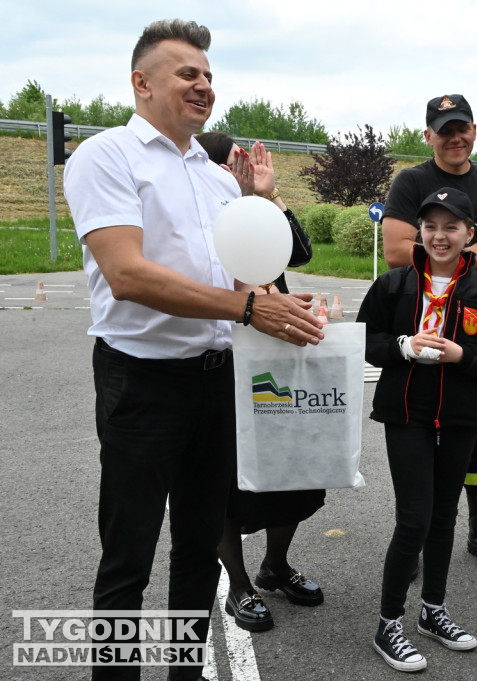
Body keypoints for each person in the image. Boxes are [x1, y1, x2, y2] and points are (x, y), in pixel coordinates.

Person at [63, 19, 323, 681]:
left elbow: (240, 280)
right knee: (128, 559)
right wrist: (248, 304)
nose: (204, 85)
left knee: (197, 554)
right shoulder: (107, 156)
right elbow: (129, 274)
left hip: (215, 381)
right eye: (188, 73)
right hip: (142, 383)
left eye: (208, 75)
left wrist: (284, 305)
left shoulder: (215, 181)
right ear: (141, 82)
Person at [358, 187, 477, 672]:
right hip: (407, 414)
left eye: (451, 227)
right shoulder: (394, 286)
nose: (440, 236)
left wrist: (461, 355)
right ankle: (389, 625)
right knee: (415, 519)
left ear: (471, 234)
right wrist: (403, 345)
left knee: (444, 517)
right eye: (431, 226)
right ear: (420, 232)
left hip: (462, 417)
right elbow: (366, 340)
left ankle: (432, 611)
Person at [382, 93, 477, 572]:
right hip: (422, 324)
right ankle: (418, 531)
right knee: (421, 430)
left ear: (474, 131)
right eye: (444, 130)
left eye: (462, 127)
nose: (455, 137)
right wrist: (471, 257)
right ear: (429, 136)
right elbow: (396, 251)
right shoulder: (411, 182)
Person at [195, 132, 325, 631]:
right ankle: (241, 585)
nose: (242, 170)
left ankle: (276, 565)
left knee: (290, 468)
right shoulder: (205, 219)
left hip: (278, 349)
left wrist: (267, 196)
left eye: (244, 162)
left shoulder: (254, 207)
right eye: (232, 164)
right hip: (227, 358)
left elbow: (303, 252)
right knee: (230, 478)